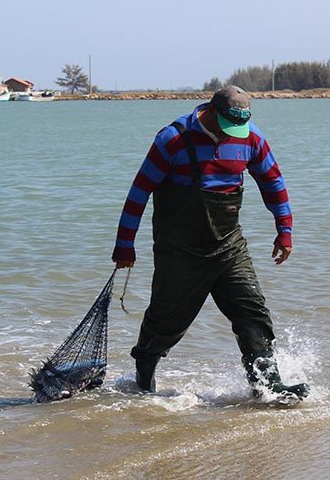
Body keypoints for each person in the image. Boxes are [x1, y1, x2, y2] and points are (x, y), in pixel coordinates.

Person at [112, 85, 308, 401]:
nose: (235, 133)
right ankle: (144, 379)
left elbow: (272, 181)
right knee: (166, 321)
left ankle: (268, 387)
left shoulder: (250, 137)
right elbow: (139, 191)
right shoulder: (173, 139)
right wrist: (125, 244)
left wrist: (284, 229)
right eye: (229, 125)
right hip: (179, 249)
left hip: (229, 245)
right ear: (212, 112)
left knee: (252, 311)